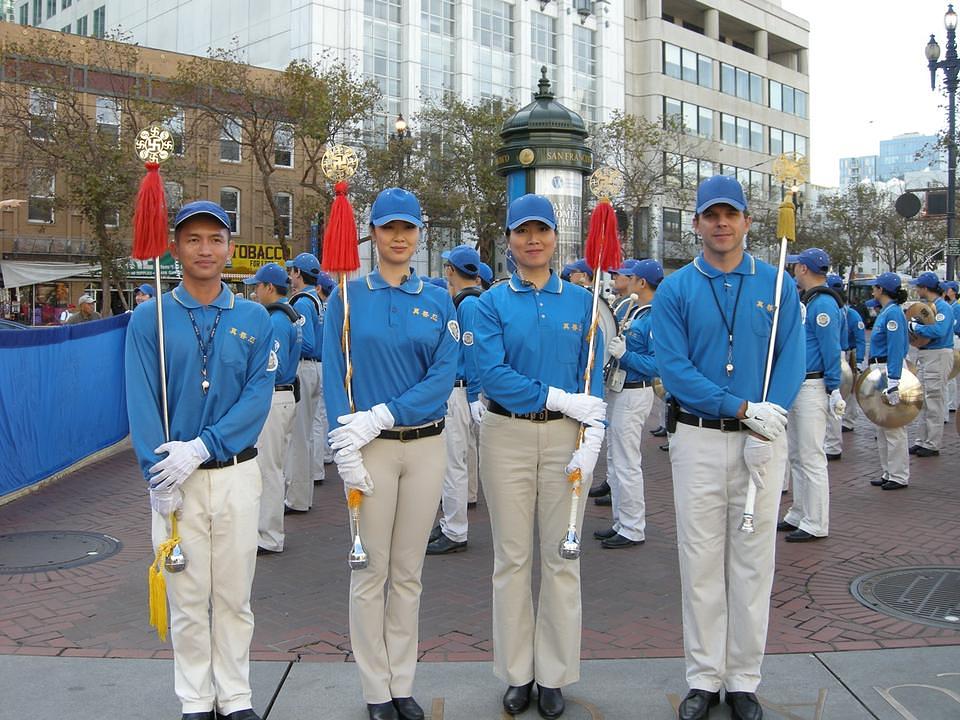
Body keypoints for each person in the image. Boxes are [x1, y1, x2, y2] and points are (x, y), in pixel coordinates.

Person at [652, 176, 804, 720]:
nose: (721, 223)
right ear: (696, 223)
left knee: (752, 561)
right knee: (699, 560)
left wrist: (771, 416)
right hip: (699, 437)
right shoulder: (675, 290)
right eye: (711, 215)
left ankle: (742, 678)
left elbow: (790, 357)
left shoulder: (777, 284)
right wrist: (738, 408)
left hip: (762, 439)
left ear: (746, 221)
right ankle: (703, 676)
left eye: (731, 214)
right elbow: (675, 369)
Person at [125, 200, 274, 720]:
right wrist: (156, 472)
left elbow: (257, 400)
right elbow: (141, 399)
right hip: (175, 481)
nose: (205, 249)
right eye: (193, 239)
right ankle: (195, 699)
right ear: (175, 248)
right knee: (187, 600)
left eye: (215, 239)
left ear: (229, 247)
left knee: (234, 597)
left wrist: (205, 445)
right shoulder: (151, 318)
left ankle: (235, 697)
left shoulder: (255, 317)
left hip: (234, 474)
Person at [323, 187, 458, 720]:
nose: (399, 237)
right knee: (368, 570)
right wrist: (345, 441)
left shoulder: (438, 299)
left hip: (424, 446)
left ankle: (403, 682)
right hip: (368, 450)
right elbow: (336, 374)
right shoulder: (347, 297)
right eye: (388, 227)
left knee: (408, 571)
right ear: (372, 234)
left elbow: (441, 378)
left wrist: (386, 412)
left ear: (419, 233)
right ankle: (375, 689)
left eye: (408, 228)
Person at [474, 193, 606, 719]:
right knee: (511, 557)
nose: (533, 240)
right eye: (523, 231)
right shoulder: (490, 303)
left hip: (565, 438)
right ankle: (517, 672)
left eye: (542, 231)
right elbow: (492, 373)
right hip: (507, 434)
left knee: (562, 556)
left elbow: (592, 372)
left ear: (556, 239)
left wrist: (592, 422)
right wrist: (553, 396)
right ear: (508, 240)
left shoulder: (583, 302)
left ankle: (553, 674)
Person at [777, 249, 843, 543]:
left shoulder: (823, 304)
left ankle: (816, 521)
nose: (793, 270)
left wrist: (834, 386)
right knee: (797, 455)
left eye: (795, 266)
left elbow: (831, 350)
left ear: (803, 268)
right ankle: (799, 512)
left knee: (811, 456)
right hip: (800, 384)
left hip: (813, 386)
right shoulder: (811, 301)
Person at [596, 258, 662, 549]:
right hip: (621, 389)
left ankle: (633, 527)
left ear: (642, 283)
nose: (627, 279)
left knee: (627, 462)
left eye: (632, 277)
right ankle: (620, 521)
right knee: (616, 459)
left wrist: (625, 356)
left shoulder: (654, 317)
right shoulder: (634, 310)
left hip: (635, 391)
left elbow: (657, 363)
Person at [428, 244, 484, 555]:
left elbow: (472, 352)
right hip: (463, 389)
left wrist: (475, 394)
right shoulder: (468, 301)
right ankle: (452, 521)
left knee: (454, 463)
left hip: (462, 390)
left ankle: (456, 529)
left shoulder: (468, 304)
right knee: (456, 461)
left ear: (451, 270)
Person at [243, 263, 303, 555]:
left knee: (268, 469)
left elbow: (272, 367)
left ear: (268, 287)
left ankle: (268, 535)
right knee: (272, 466)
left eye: (257, 286)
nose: (254, 292)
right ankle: (267, 531)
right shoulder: (284, 316)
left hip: (275, 395)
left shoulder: (277, 319)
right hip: (283, 397)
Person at [283, 252, 324, 511]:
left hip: (304, 367)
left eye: (292, 271)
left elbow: (306, 341)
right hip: (314, 368)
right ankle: (302, 494)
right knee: (305, 435)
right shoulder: (314, 298)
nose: (289, 276)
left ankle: (297, 498)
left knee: (298, 437)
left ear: (298, 272)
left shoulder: (302, 302)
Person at [866, 272, 910, 490]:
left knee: (893, 424)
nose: (872, 290)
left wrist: (894, 379)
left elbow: (895, 347)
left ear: (882, 289)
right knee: (882, 423)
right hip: (880, 368)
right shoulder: (888, 312)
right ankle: (888, 471)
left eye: (875, 287)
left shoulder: (892, 314)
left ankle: (898, 474)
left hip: (888, 369)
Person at [907, 271, 953, 457]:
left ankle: (932, 443)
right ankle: (922, 440)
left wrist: (916, 327)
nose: (917, 289)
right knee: (924, 400)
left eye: (918, 286)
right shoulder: (929, 306)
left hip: (938, 354)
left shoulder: (943, 308)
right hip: (927, 354)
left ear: (925, 288)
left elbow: (939, 330)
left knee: (934, 399)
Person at [310, 270, 337, 474]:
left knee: (317, 418)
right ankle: (327, 454)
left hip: (315, 362)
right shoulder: (331, 306)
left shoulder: (311, 304)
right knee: (324, 414)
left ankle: (318, 463)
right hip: (326, 362)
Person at [944, 280, 960, 417]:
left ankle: (951, 403)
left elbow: (956, 326)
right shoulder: (951, 306)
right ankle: (950, 403)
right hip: (952, 338)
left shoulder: (956, 307)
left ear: (953, 291)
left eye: (948, 289)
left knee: (952, 372)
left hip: (954, 339)